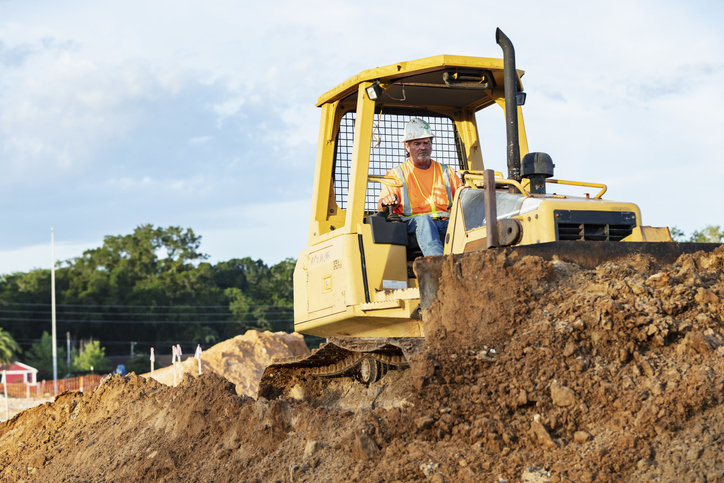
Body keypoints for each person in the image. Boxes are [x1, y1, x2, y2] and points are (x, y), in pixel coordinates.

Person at [378, 118, 462, 256]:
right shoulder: (397, 174)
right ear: (407, 146)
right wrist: (386, 201)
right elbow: (381, 206)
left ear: (431, 144)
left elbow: (464, 199)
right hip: (414, 224)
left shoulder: (447, 172)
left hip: (446, 223)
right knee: (424, 220)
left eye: (426, 143)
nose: (423, 147)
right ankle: (437, 263)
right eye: (417, 143)